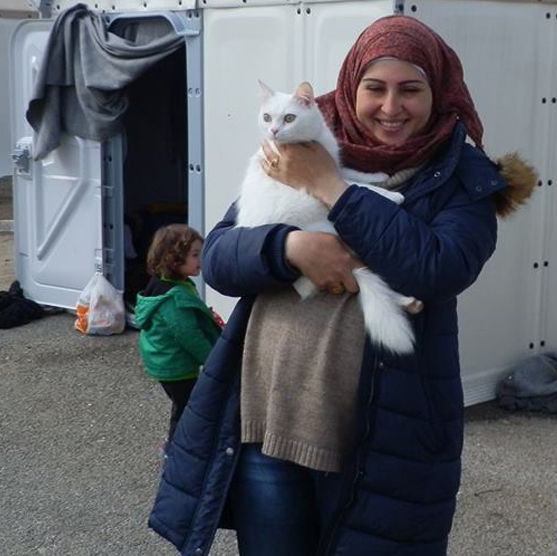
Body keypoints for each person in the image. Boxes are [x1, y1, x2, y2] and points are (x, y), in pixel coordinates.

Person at [149, 14, 535, 555]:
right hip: (266, 414)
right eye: (375, 88)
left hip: (379, 437)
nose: (391, 106)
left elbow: (439, 268)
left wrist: (331, 187)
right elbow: (217, 258)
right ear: (352, 86)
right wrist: (288, 249)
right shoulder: (301, 140)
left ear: (439, 92)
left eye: (411, 90)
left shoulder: (463, 176)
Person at [133, 224, 222, 441]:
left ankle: (179, 447)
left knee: (184, 405)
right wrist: (214, 361)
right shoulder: (173, 298)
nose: (201, 259)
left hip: (165, 361)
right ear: (173, 259)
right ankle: (176, 450)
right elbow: (189, 335)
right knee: (188, 408)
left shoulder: (172, 285)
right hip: (175, 367)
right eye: (195, 255)